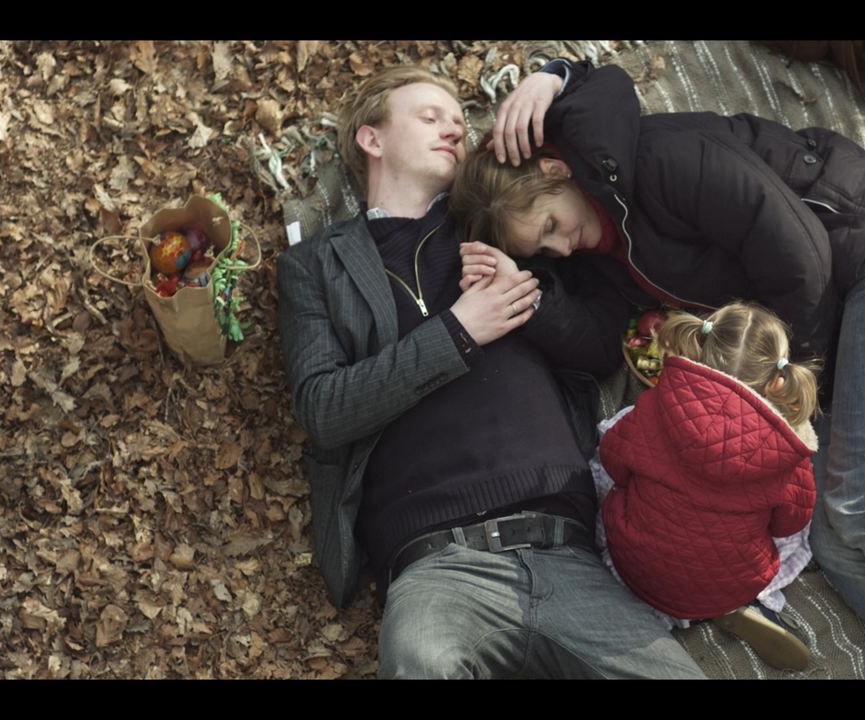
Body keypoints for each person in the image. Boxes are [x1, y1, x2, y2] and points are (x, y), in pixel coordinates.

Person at [449, 62, 865, 679]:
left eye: (550, 226)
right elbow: (601, 345)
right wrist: (536, 300)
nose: (560, 247)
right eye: (541, 250)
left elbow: (802, 258)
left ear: (555, 170)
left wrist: (789, 394)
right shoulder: (602, 256)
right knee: (831, 535)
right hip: (832, 330)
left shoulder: (662, 158)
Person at [276, 61, 703, 679]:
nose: (453, 127)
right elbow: (323, 410)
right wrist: (458, 332)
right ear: (372, 140)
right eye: (430, 117)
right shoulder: (316, 264)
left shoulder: (504, 220)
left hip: (567, 552)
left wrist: (554, 78)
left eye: (458, 118)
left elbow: (598, 349)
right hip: (436, 570)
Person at [590, 302, 819, 670]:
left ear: (697, 346)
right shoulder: (790, 453)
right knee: (793, 524)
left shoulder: (653, 405)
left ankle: (651, 613)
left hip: (637, 567)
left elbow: (614, 461)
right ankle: (739, 605)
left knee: (610, 451)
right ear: (778, 380)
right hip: (728, 581)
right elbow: (789, 524)